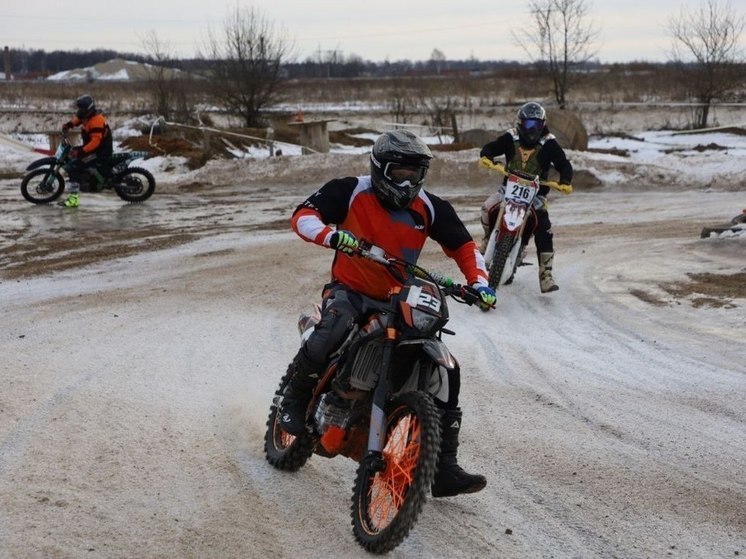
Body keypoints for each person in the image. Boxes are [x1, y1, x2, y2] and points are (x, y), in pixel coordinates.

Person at [284, 129, 496, 498]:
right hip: (349, 291)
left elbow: (463, 246)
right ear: (381, 168)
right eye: (401, 172)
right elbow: (304, 215)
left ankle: (442, 468)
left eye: (416, 173)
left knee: (447, 368)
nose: (409, 180)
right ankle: (294, 400)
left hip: (399, 296)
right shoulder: (350, 190)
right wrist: (332, 236)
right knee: (334, 330)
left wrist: (478, 283)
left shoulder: (430, 207)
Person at [479, 101, 573, 293]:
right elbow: (491, 147)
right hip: (508, 190)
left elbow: (564, 163)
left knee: (544, 229)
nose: (533, 130)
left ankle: (545, 274)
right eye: (529, 124)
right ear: (521, 124)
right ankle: (488, 237)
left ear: (543, 125)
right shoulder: (510, 137)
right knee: (487, 207)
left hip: (535, 196)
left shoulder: (549, 143)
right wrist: (487, 156)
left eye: (537, 125)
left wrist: (565, 180)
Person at [58, 94, 113, 208]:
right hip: (94, 148)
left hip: (100, 151)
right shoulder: (88, 116)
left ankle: (73, 200)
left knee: (74, 167)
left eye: (81, 108)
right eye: (79, 108)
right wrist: (68, 125)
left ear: (88, 108)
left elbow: (95, 142)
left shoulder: (97, 120)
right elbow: (78, 120)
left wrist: (82, 151)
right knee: (73, 156)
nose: (79, 110)